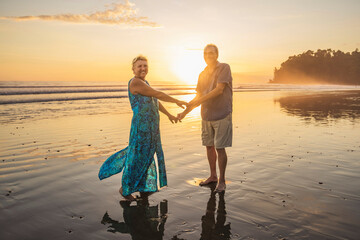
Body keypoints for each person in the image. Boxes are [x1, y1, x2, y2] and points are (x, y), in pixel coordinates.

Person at [99, 55, 187, 201]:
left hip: (151, 127)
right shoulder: (135, 83)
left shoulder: (144, 82)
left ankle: (142, 187)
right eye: (139, 66)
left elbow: (155, 100)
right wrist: (176, 100)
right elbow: (158, 93)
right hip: (141, 127)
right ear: (133, 69)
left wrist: (169, 115)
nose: (143, 68)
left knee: (147, 155)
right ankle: (124, 189)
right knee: (137, 156)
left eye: (145, 65)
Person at [178, 44, 233, 193]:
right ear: (203, 56)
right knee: (209, 146)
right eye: (206, 54)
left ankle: (222, 181)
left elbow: (219, 90)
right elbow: (198, 96)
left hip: (222, 114)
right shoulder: (202, 74)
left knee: (220, 148)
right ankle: (213, 176)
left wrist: (199, 101)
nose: (209, 56)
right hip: (206, 115)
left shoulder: (224, 68)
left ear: (217, 55)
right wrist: (185, 113)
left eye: (211, 53)